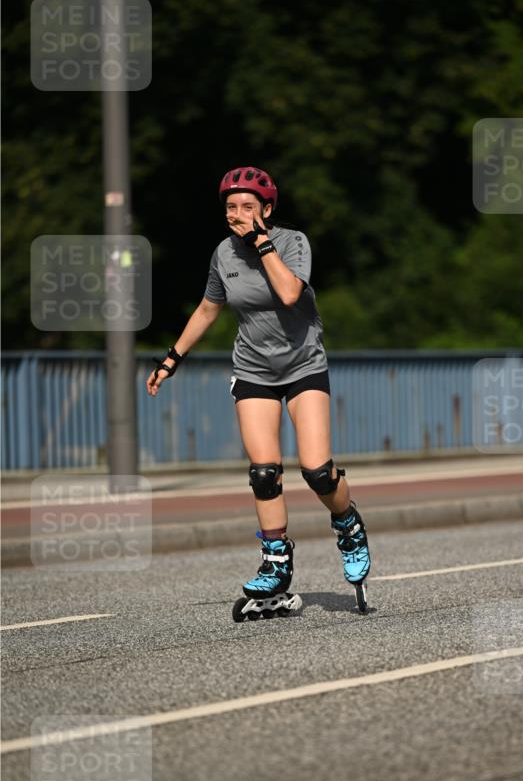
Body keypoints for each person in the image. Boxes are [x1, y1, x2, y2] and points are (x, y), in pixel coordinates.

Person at [146, 166, 371, 614]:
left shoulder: (293, 243)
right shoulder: (222, 254)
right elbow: (209, 309)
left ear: (267, 210)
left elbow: (289, 294)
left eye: (247, 206)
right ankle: (276, 562)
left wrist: (261, 242)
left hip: (303, 364)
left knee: (317, 471)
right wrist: (171, 359)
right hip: (253, 369)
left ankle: (347, 523)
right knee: (264, 473)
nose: (237, 213)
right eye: (230, 206)